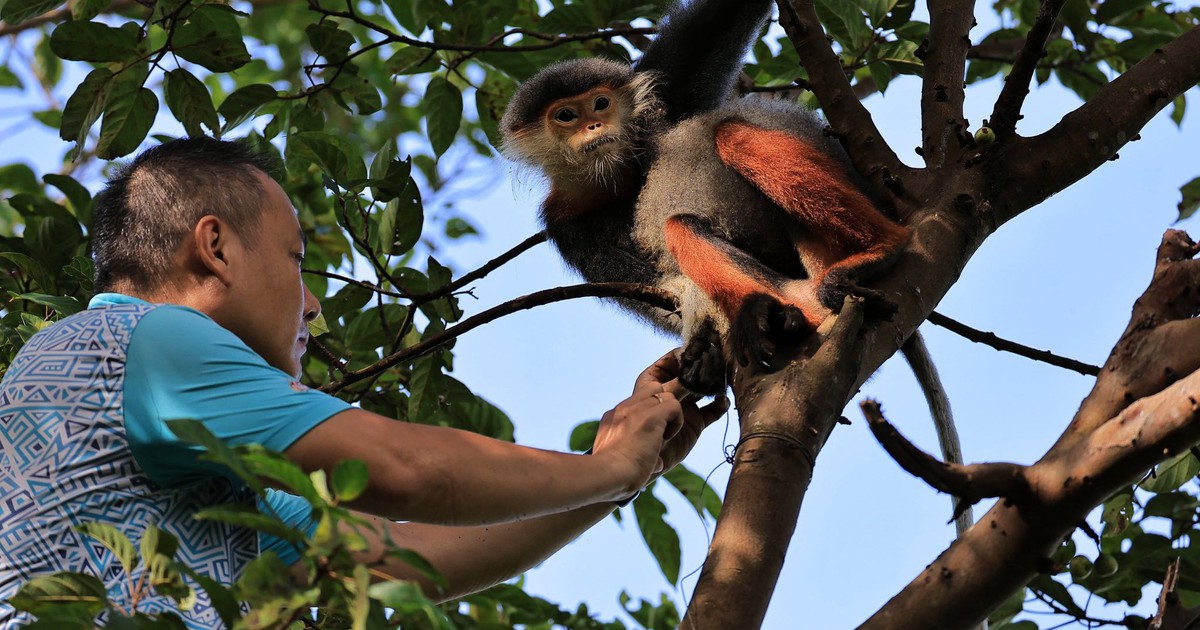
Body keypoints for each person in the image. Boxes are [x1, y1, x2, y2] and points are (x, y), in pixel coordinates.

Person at [0, 137, 727, 628]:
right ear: (215, 248)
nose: (311, 302)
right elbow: (407, 472)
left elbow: (407, 556)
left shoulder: (205, 463)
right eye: (295, 259)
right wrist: (606, 469)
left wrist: (624, 472)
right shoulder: (155, 338)